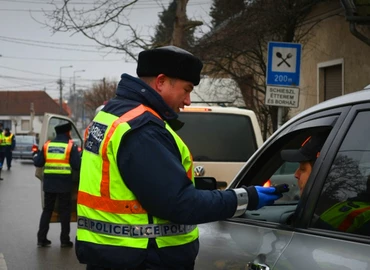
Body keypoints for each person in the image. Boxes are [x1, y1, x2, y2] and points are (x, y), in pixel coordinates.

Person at [75, 45, 282, 270]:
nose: (188, 100)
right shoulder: (142, 129)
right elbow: (178, 203)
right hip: (144, 258)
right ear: (161, 81)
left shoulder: (113, 114)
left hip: (114, 255)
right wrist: (244, 198)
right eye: (186, 89)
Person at [281, 134, 370, 235]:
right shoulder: (346, 205)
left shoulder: (361, 219)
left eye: (302, 169)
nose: (296, 175)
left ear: (323, 173)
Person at [33, 123, 81, 248]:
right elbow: (77, 165)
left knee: (47, 210)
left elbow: (38, 162)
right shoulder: (70, 146)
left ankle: (41, 238)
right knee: (65, 212)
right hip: (64, 184)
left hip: (49, 184)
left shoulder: (47, 145)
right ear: (68, 133)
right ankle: (65, 240)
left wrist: (35, 155)